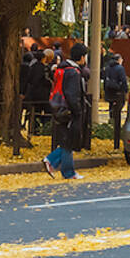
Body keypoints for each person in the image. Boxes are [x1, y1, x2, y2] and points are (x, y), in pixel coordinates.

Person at [43, 46, 84, 179]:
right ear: (82, 57)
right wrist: (77, 111)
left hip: (58, 106)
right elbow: (72, 94)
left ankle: (57, 164)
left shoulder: (61, 68)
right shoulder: (73, 72)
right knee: (68, 141)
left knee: (67, 139)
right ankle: (65, 169)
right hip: (68, 109)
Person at [102, 51, 130, 150]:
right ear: (119, 60)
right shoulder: (120, 68)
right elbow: (123, 81)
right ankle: (117, 142)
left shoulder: (108, 68)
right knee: (118, 116)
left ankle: (115, 139)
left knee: (114, 114)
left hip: (110, 94)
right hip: (118, 94)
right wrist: (125, 90)